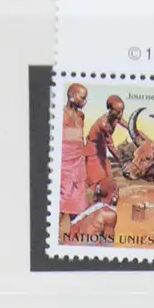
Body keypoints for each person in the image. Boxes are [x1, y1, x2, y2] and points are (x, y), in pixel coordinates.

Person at [59, 81, 89, 232]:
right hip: (65, 162)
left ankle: (75, 231)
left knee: (78, 197)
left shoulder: (81, 116)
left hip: (79, 161)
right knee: (64, 194)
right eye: (82, 97)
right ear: (71, 96)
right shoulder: (61, 115)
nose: (85, 101)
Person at [85, 95, 126, 203]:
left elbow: (130, 127)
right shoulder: (103, 123)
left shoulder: (116, 118)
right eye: (118, 112)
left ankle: (106, 204)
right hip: (92, 153)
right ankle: (94, 206)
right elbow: (111, 147)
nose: (120, 114)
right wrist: (122, 164)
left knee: (109, 180)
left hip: (101, 151)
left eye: (122, 111)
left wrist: (141, 137)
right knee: (97, 183)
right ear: (110, 110)